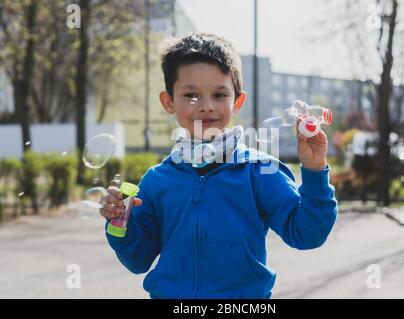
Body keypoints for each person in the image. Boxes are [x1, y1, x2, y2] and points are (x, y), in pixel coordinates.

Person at [100, 33, 338, 299]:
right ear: (168, 102)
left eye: (219, 94)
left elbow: (307, 235)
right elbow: (137, 260)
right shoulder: (157, 180)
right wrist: (119, 222)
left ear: (237, 101)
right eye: (191, 95)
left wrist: (315, 170)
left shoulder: (260, 170)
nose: (206, 106)